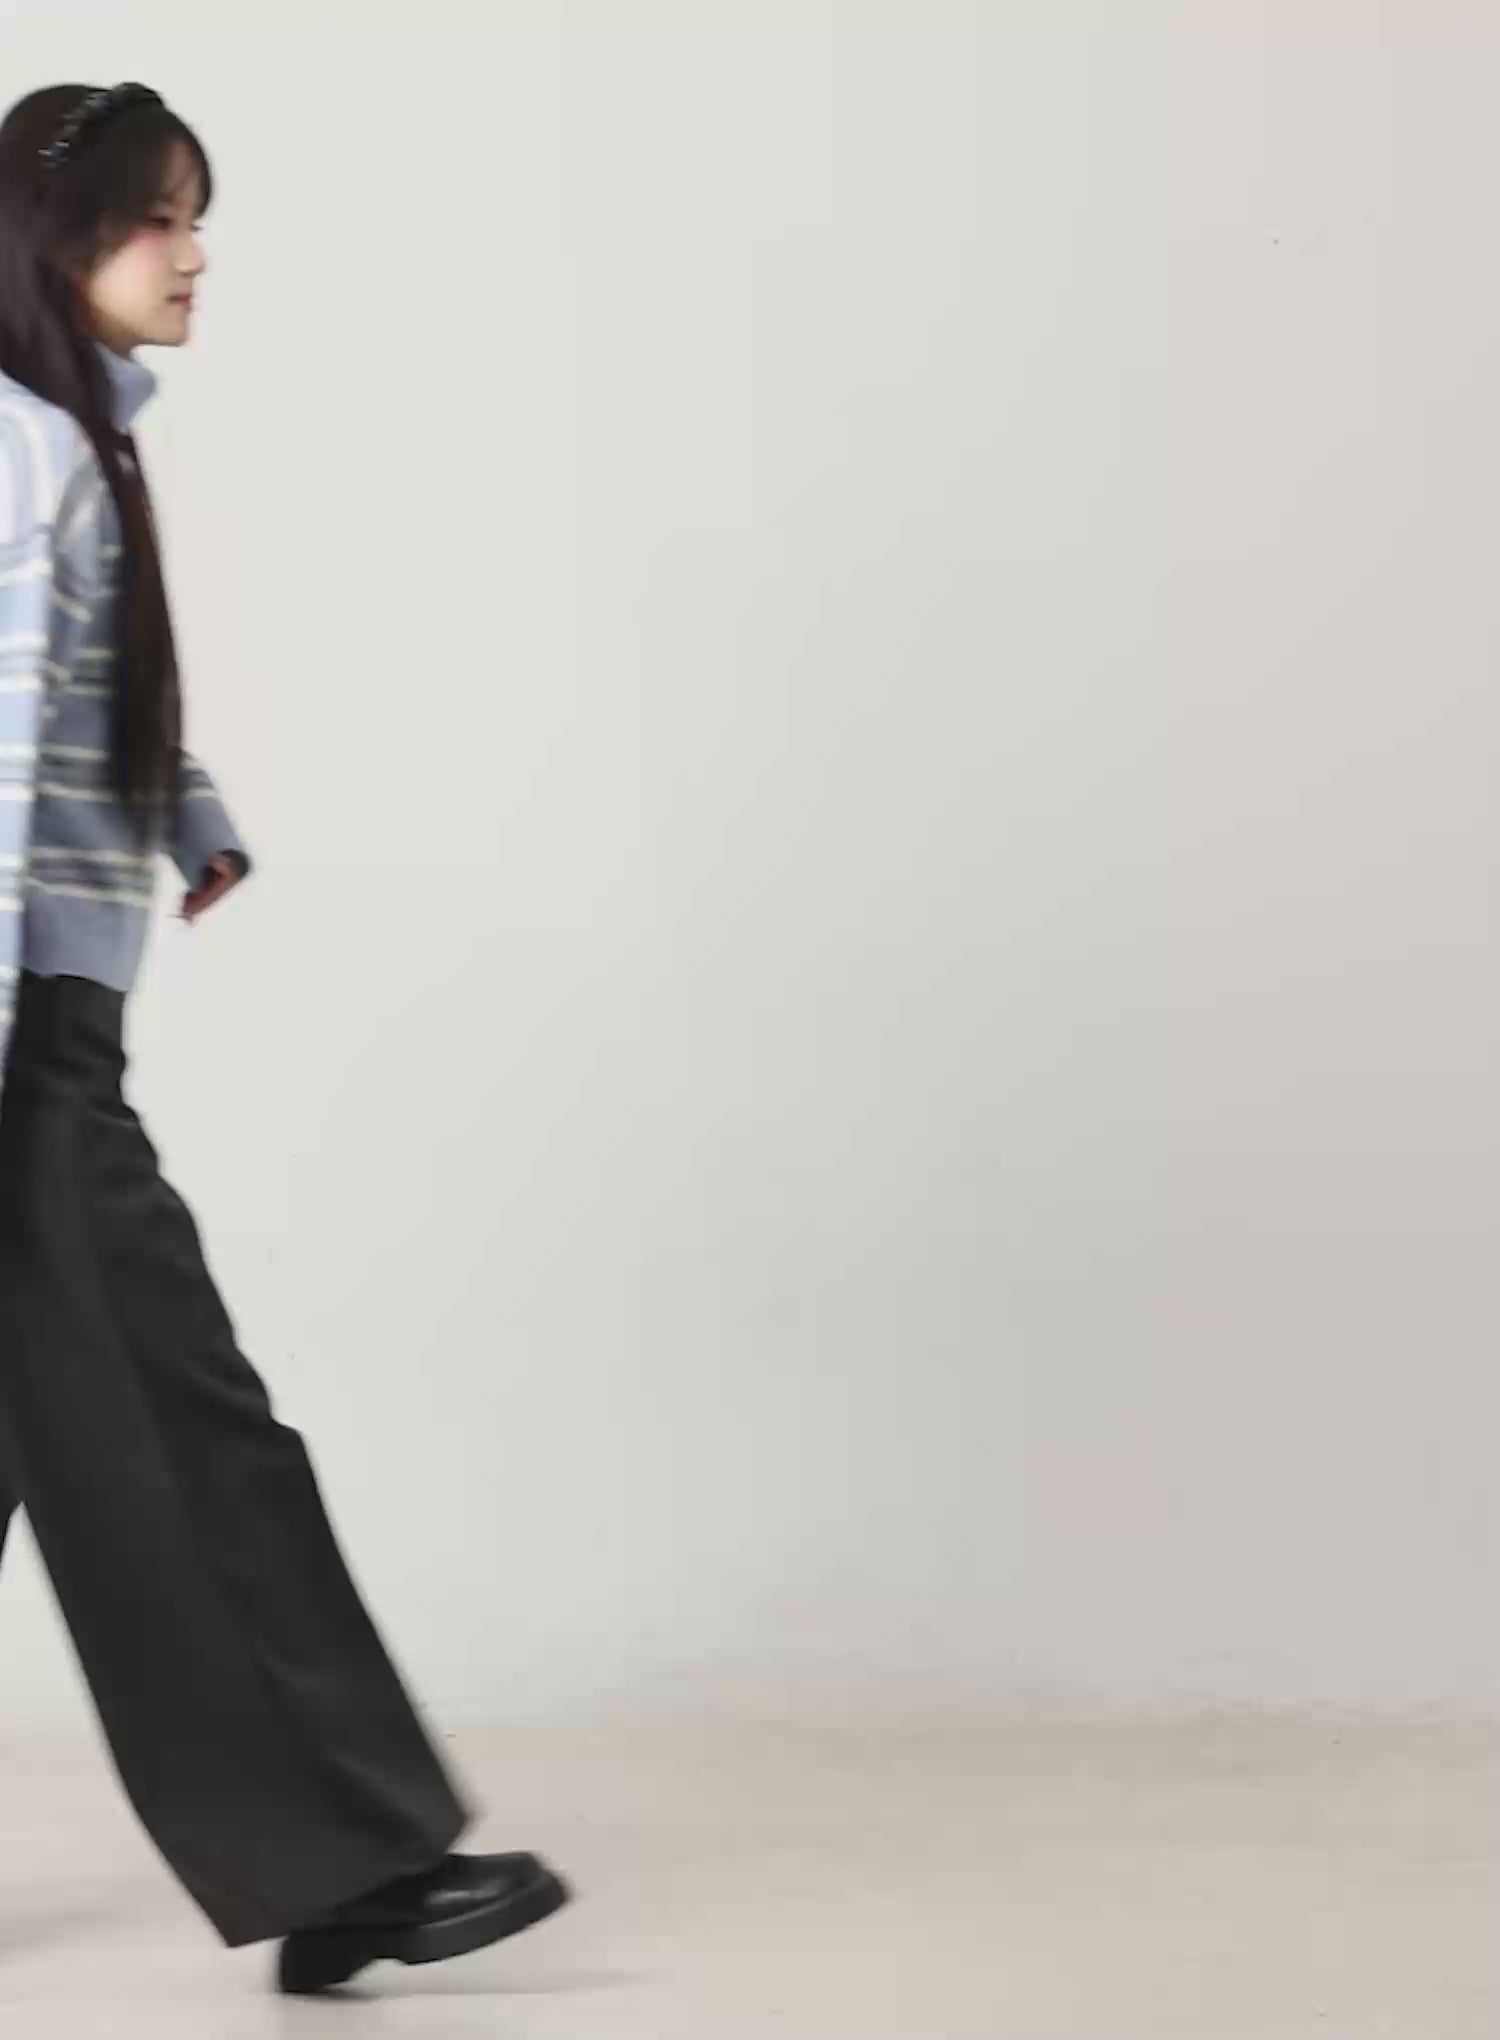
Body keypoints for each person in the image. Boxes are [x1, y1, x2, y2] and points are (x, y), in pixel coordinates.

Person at [0, 81, 572, 1995]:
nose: (195, 253)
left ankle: (329, 1855)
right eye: (157, 218)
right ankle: (344, 1861)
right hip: (23, 1044)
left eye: (196, 214)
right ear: (52, 238)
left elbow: (76, 707)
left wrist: (185, 813)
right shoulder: (29, 453)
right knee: (184, 1428)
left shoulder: (68, 440)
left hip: (45, 1010)